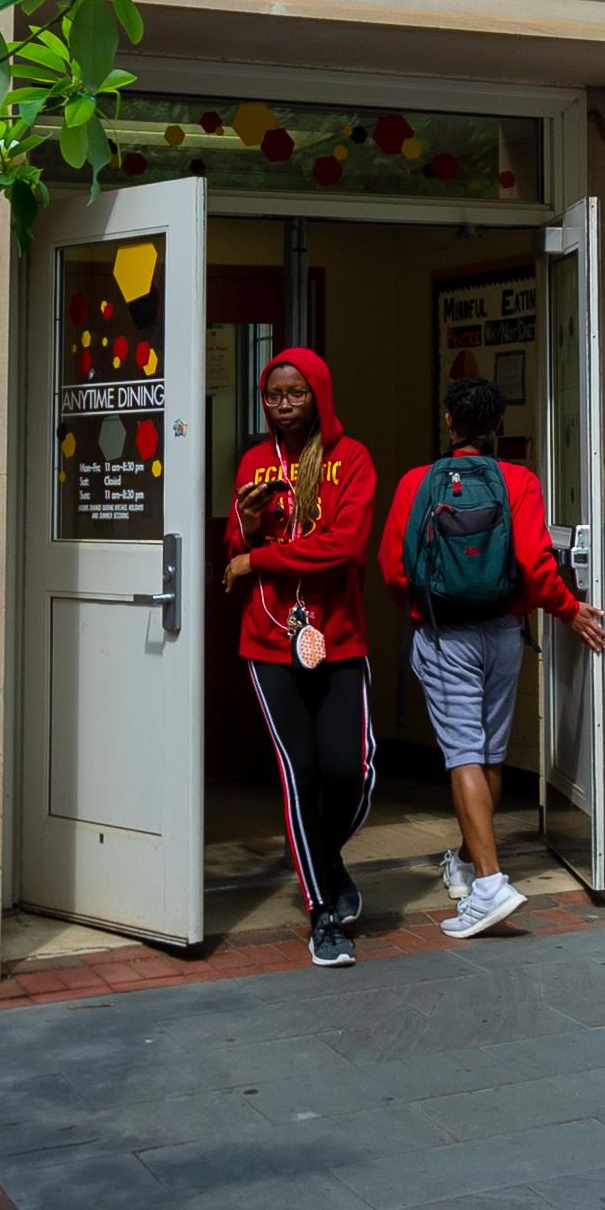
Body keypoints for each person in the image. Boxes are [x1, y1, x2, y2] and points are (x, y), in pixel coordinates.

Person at [380, 370, 605, 940]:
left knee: (462, 755)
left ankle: (487, 885)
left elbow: (392, 567)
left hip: (445, 634)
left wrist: (421, 610)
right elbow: (535, 565)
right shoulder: (520, 481)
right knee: (489, 753)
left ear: (450, 421)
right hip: (505, 632)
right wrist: (567, 609)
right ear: (498, 425)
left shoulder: (418, 482)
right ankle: (466, 863)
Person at [224, 344, 382, 966]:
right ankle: (322, 915)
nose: (283, 405)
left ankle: (323, 858)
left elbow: (344, 546)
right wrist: (248, 521)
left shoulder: (352, 459)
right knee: (301, 773)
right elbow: (232, 549)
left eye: (295, 393)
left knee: (354, 770)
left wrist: (258, 555)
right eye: (273, 395)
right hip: (268, 640)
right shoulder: (257, 461)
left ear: (319, 395)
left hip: (338, 636)